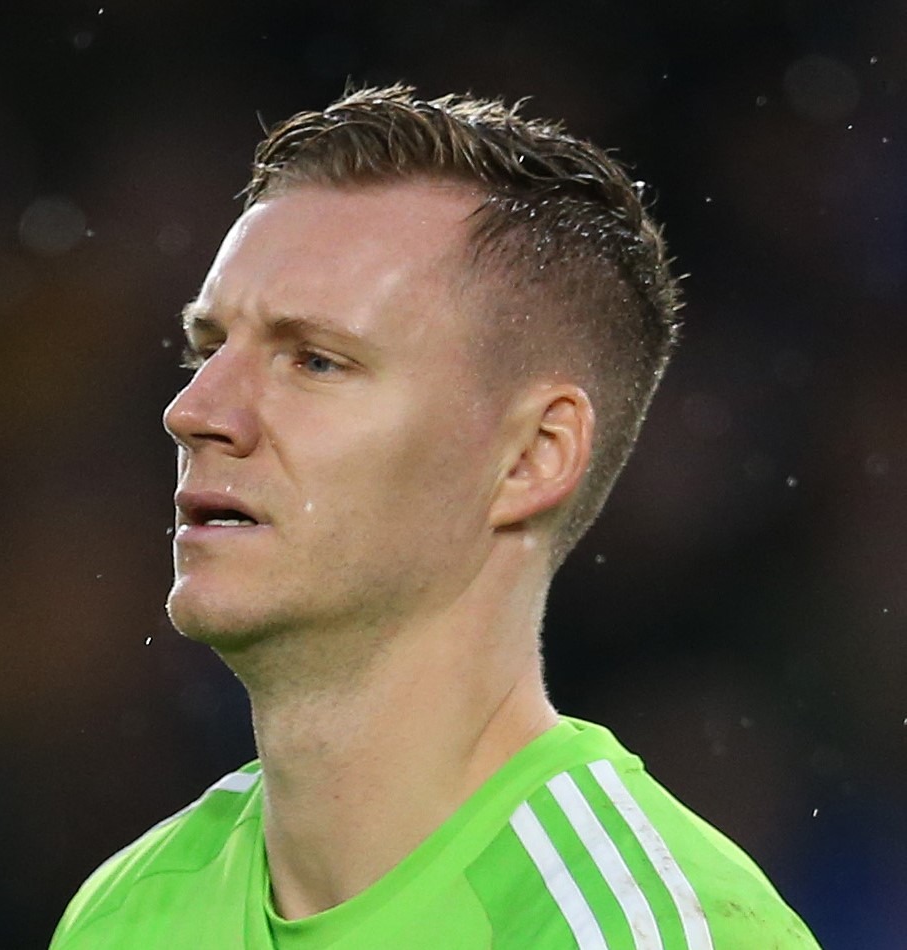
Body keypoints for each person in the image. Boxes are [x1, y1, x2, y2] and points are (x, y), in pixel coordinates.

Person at [50, 84, 821, 949]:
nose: (193, 411)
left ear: (532, 456)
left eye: (316, 361)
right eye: (207, 350)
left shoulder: (638, 930)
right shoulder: (125, 913)